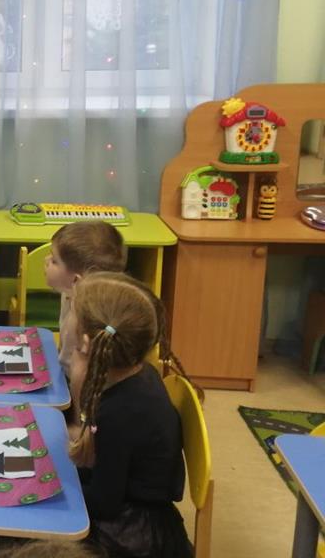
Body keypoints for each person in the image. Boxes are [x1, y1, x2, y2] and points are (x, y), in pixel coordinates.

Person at [67, 272, 192, 558]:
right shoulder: (140, 374)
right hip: (136, 510)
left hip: (136, 534)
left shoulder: (120, 413)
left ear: (86, 344)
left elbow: (104, 503)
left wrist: (54, 489)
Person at [45, 221, 127, 374]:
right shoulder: (72, 293)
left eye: (54, 261)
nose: (46, 260)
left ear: (76, 280)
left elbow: (68, 369)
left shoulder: (81, 318)